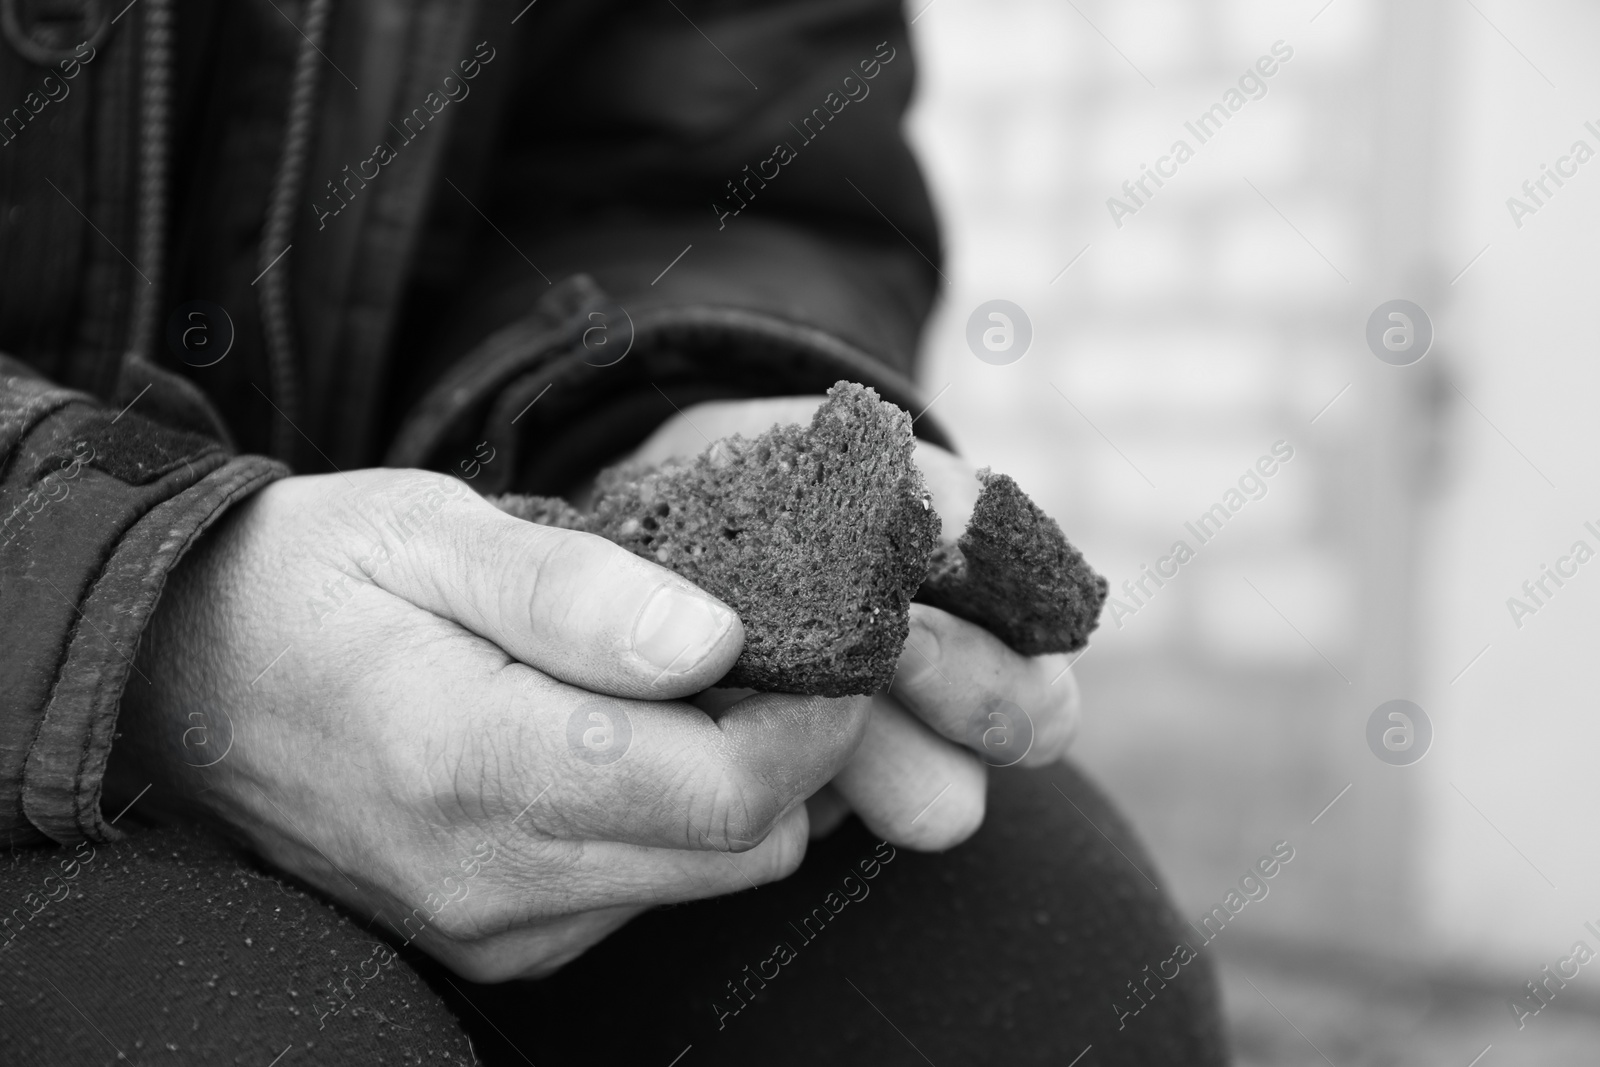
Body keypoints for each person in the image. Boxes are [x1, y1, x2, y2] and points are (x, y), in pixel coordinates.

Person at [0, 1, 1228, 1063]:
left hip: (447, 558)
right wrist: (137, 605)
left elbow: (693, 156)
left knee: (1039, 974)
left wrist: (646, 403)